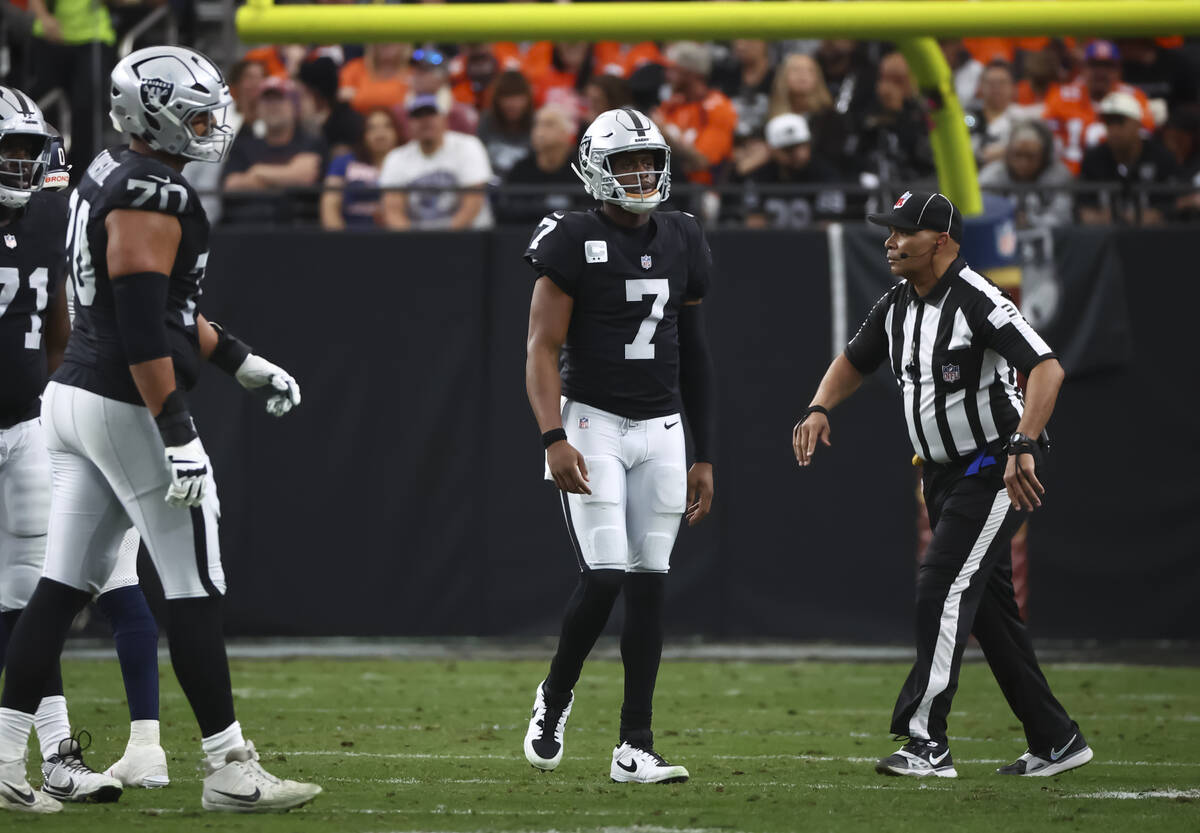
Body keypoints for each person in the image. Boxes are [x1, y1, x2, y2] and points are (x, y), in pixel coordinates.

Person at [0, 46, 320, 815]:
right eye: (197, 110)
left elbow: (161, 310)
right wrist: (175, 427)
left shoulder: (111, 169)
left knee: (56, 584)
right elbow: (144, 324)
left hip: (71, 395)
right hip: (122, 399)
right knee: (195, 582)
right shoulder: (150, 190)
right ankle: (228, 766)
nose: (213, 124)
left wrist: (241, 361)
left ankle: (6, 758)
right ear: (154, 111)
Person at [792, 189, 1092, 781]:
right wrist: (819, 406)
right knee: (991, 614)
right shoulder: (897, 303)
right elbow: (855, 358)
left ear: (943, 241)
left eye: (904, 231)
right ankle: (1056, 739)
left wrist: (1024, 442)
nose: (891, 241)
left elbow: (1047, 368)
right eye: (890, 230)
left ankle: (926, 741)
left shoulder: (978, 298)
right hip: (941, 473)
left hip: (996, 467)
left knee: (941, 587)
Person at [521, 107, 716, 784]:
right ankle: (556, 694)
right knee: (603, 575)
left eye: (649, 161)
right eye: (627, 162)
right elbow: (541, 348)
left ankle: (635, 743)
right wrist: (552, 435)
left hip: (662, 427)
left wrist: (703, 451)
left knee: (650, 585)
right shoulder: (570, 236)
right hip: (593, 422)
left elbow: (694, 353)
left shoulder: (685, 235)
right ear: (596, 169)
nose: (641, 173)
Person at [379, 94, 494, 230]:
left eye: (431, 114)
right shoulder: (396, 158)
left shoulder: (468, 146)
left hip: (470, 237)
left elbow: (473, 204)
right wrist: (416, 242)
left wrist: (440, 241)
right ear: (409, 123)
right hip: (416, 243)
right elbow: (393, 211)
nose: (425, 121)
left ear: (444, 119)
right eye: (418, 116)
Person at [1041, 40, 1155, 175]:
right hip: (1067, 178)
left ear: (1118, 70)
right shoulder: (1061, 96)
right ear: (1083, 68)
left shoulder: (1134, 98)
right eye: (1094, 65)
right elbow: (1045, 139)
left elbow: (1144, 143)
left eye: (1107, 66)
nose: (1101, 72)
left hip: (1111, 175)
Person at [221, 76, 325, 225]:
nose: (272, 106)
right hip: (247, 232)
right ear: (258, 108)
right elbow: (231, 185)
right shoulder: (243, 146)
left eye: (279, 99)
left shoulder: (311, 143)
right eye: (266, 100)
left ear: (294, 106)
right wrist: (287, 175)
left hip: (299, 233)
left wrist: (257, 171)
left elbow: (304, 176)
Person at [1078, 91, 1179, 226]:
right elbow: (1084, 208)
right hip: (1106, 239)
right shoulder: (1093, 159)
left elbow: (1175, 203)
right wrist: (1095, 216)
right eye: (1109, 123)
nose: (1113, 129)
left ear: (1137, 124)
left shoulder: (1161, 157)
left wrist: (1159, 214)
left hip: (1154, 239)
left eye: (1120, 122)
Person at [733, 113, 845, 228]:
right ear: (773, 150)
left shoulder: (825, 175)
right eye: (788, 149)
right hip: (770, 243)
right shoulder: (759, 176)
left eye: (802, 145)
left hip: (812, 243)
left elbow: (828, 227)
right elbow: (754, 226)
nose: (799, 154)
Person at [654, 42, 737, 185]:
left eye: (673, 70)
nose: (667, 76)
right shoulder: (672, 105)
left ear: (690, 73)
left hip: (701, 192)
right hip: (668, 187)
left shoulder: (717, 106)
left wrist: (665, 136)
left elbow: (702, 161)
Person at [978, 120, 1074, 228]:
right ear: (1008, 154)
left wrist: (1031, 222)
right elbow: (982, 215)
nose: (1023, 163)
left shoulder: (1058, 176)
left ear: (1044, 157)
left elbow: (1062, 219)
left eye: (1030, 156)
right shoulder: (991, 176)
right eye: (1017, 155)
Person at [495, 105, 580, 225]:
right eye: (537, 124)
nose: (539, 131)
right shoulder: (520, 169)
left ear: (568, 134)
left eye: (549, 124)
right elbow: (508, 212)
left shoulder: (581, 170)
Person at [320, 108, 402, 230]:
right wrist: (339, 240)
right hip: (350, 237)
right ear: (363, 134)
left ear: (397, 132)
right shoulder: (343, 163)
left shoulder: (406, 164)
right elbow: (329, 206)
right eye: (372, 128)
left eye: (387, 126)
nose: (380, 133)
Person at [298, 56, 365, 161]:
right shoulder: (298, 122)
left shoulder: (348, 122)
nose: (298, 100)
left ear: (316, 94)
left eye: (303, 94)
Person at [477, 70, 536, 178]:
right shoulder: (486, 121)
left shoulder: (537, 124)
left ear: (528, 99)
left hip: (526, 187)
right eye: (507, 97)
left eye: (518, 97)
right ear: (497, 100)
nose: (512, 104)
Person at [968, 61, 1020, 167]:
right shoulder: (969, 117)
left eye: (1002, 82)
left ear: (1013, 87)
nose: (996, 88)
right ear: (981, 86)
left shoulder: (1023, 118)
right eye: (991, 83)